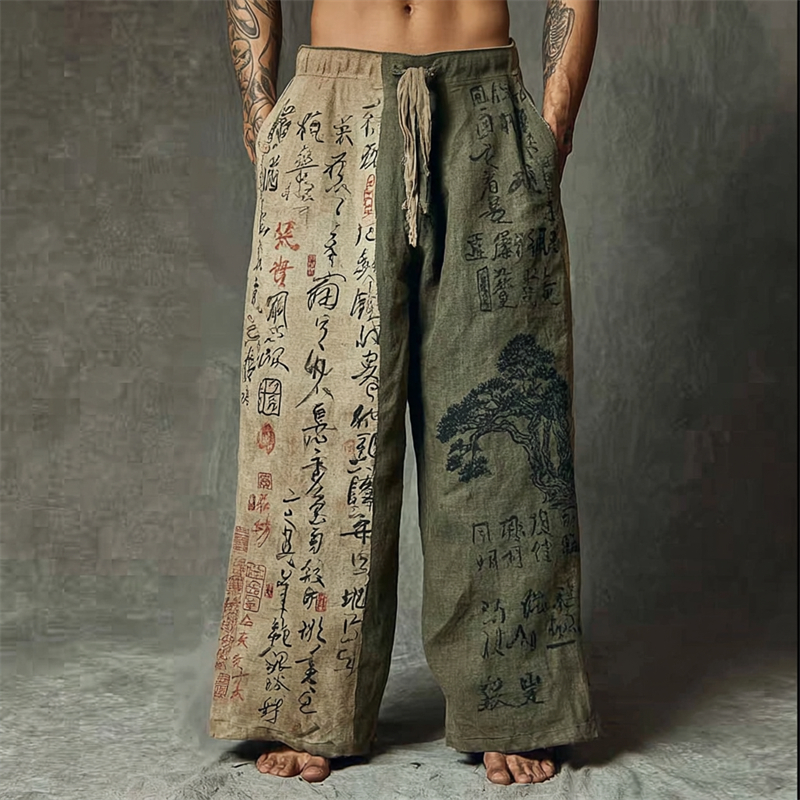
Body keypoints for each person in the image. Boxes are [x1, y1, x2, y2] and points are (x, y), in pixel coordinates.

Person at [211, 0, 600, 786]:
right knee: (321, 426)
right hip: (332, 107)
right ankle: (308, 706)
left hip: (484, 105)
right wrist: (264, 119)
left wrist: (549, 130)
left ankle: (513, 702)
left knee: (500, 426)